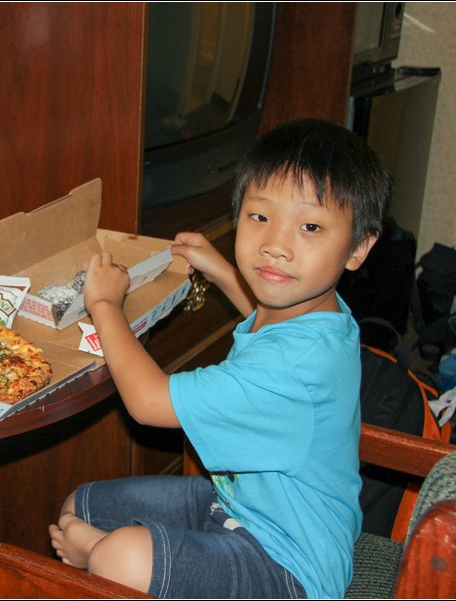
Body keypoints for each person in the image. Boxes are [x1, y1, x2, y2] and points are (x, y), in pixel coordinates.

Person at [48, 118, 391, 598]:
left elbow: (149, 402)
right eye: (259, 217)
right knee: (80, 507)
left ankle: (102, 557)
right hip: (239, 503)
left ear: (358, 248)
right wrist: (227, 274)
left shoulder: (293, 367)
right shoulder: (321, 316)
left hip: (288, 567)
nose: (275, 245)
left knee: (117, 556)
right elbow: (267, 327)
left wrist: (105, 304)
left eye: (310, 226)